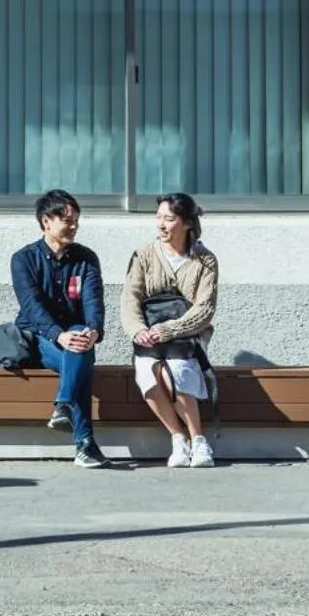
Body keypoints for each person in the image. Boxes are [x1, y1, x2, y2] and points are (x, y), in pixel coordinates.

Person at [11, 189, 111, 468]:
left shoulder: (86, 258)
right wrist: (59, 335)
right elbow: (32, 308)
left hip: (74, 337)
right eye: (67, 220)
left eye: (76, 221)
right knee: (79, 359)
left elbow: (94, 300)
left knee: (80, 347)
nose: (73, 226)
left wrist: (94, 330)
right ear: (46, 221)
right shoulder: (23, 259)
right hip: (37, 338)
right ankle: (85, 445)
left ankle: (63, 404)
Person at [124, 192, 219, 469]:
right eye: (159, 218)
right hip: (148, 336)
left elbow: (205, 309)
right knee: (148, 370)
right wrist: (137, 330)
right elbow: (130, 298)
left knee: (175, 369)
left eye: (169, 218)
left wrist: (168, 330)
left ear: (187, 223)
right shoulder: (143, 255)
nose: (161, 225)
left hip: (187, 336)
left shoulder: (205, 260)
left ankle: (198, 439)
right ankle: (179, 437)